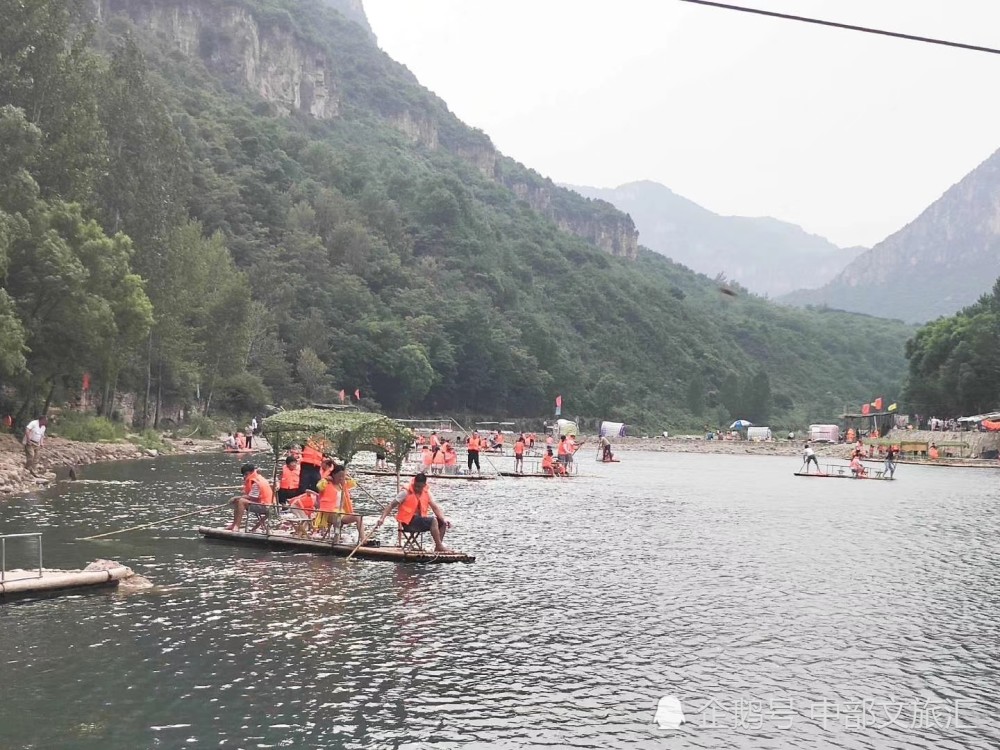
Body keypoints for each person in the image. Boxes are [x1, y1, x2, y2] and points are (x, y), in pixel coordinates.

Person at [377, 473, 450, 552]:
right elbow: (391, 505)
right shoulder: (405, 492)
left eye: (419, 487)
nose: (416, 488)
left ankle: (437, 548)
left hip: (419, 521)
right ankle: (440, 546)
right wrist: (382, 518)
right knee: (433, 521)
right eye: (415, 485)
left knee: (442, 523)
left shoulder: (427, 493)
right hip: (408, 523)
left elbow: (435, 507)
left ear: (424, 485)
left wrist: (444, 519)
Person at [228, 463, 274, 531]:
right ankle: (233, 524)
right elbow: (252, 496)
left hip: (266, 506)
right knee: (238, 500)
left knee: (241, 501)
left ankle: (237, 526)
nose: (244, 476)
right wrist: (237, 498)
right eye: (244, 475)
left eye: (246, 474)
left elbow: (253, 497)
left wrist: (237, 497)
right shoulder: (256, 478)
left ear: (250, 472)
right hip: (262, 503)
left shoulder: (256, 482)